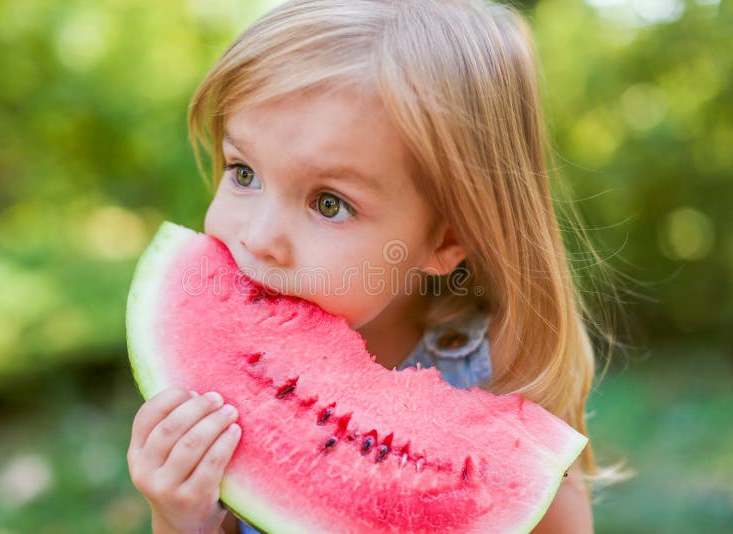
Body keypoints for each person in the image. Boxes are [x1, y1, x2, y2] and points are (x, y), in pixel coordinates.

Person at [127, 0, 622, 532]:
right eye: (243, 172)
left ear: (446, 239)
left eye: (329, 204)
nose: (260, 237)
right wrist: (179, 518)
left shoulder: (503, 377)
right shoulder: (224, 379)